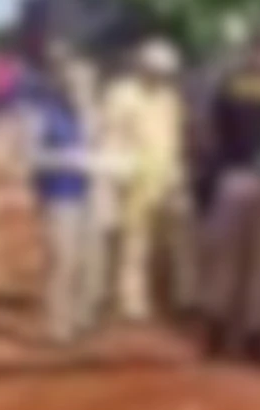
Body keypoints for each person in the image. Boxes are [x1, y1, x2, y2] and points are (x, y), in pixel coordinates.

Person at [103, 36, 191, 323]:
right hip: (133, 178)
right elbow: (112, 136)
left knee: (171, 242)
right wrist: (116, 173)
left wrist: (177, 178)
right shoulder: (122, 95)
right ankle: (131, 302)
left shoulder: (168, 100)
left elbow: (174, 140)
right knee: (134, 243)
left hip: (165, 176)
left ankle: (174, 299)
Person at [196, 31, 260, 361]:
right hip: (237, 179)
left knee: (242, 266)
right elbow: (210, 138)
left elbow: (207, 138)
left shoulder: (230, 88)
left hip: (239, 180)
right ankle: (222, 330)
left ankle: (237, 334)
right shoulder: (233, 89)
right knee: (230, 264)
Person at [23, 45, 98, 344]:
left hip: (84, 193)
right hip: (58, 196)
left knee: (81, 260)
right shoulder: (46, 116)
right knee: (62, 261)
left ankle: (77, 318)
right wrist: (63, 159)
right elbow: (31, 157)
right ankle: (57, 325)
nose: (80, 91)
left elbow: (96, 152)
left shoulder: (85, 117)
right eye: (76, 85)